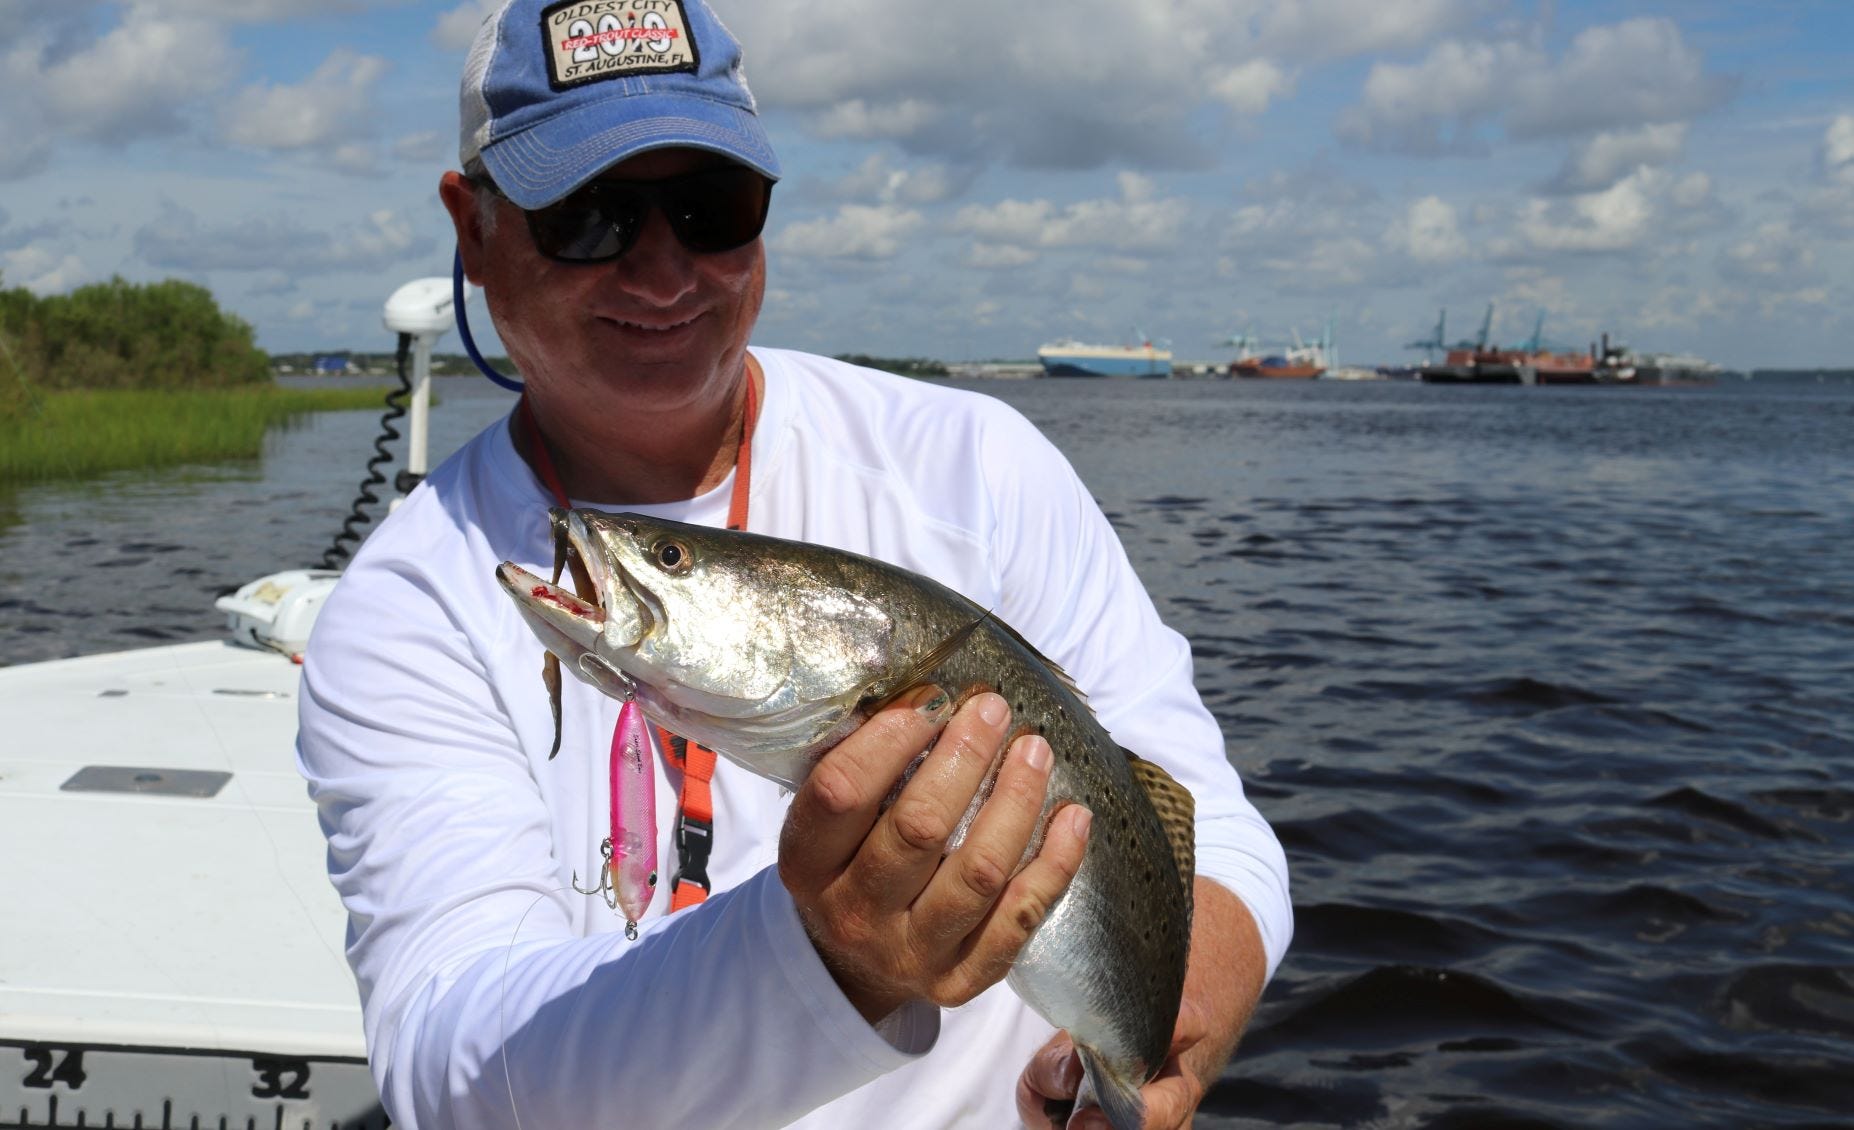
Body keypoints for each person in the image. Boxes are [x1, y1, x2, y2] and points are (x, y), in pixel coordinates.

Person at [295, 1, 1292, 1127]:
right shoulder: (407, 601)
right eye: (590, 215)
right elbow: (451, 1065)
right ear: (472, 230)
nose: (663, 268)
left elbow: (1203, 819)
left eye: (712, 207)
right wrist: (826, 956)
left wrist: (1160, 1053)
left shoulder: (978, 467)